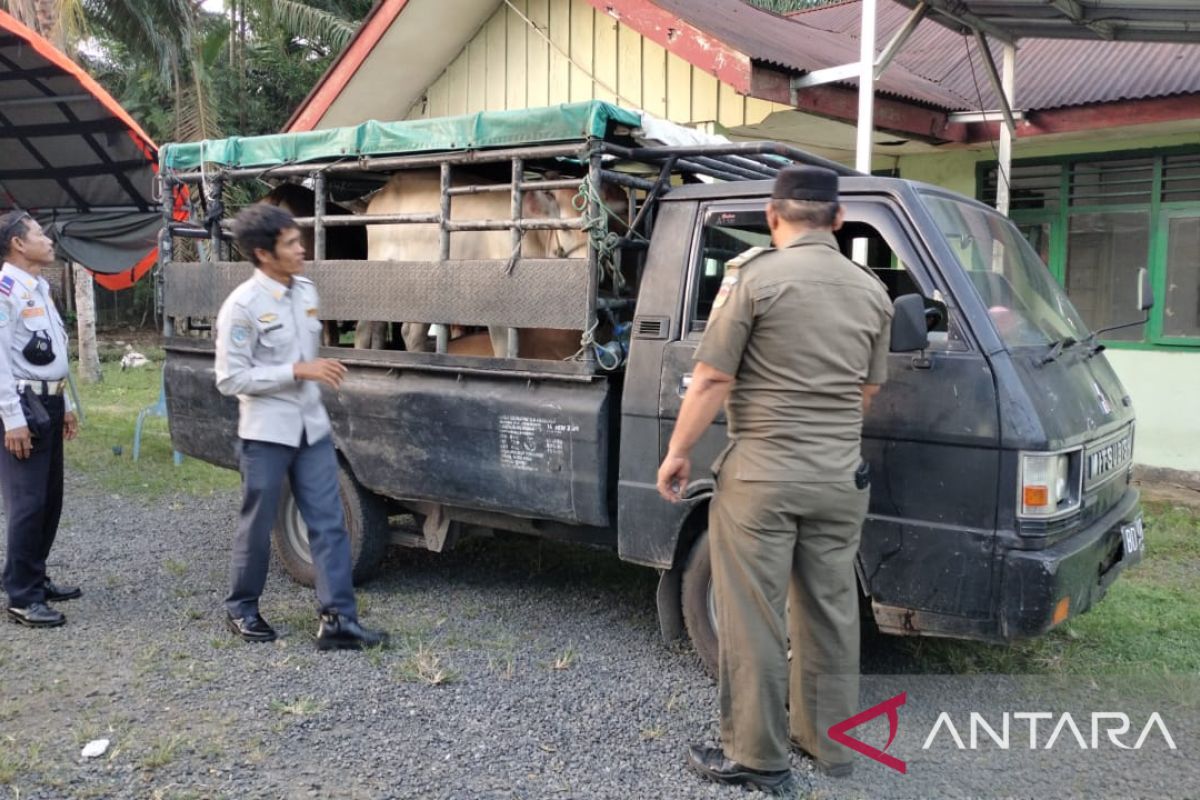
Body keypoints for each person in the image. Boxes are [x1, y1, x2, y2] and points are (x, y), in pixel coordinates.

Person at [657, 166, 892, 791]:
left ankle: (757, 758)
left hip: (762, 476)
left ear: (772, 216)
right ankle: (829, 744)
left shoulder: (755, 279)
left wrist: (678, 451)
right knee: (830, 609)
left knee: (753, 614)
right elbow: (867, 389)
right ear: (838, 220)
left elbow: (711, 378)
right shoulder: (870, 290)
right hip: (840, 477)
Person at [215, 203, 387, 651]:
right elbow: (230, 378)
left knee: (330, 524)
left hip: (311, 430)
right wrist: (297, 371)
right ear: (262, 253)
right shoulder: (242, 307)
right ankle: (243, 609)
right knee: (257, 524)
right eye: (290, 243)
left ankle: (338, 620)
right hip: (266, 434)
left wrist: (307, 373)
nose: (301, 248)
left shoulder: (306, 292)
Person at [0, 210, 81, 628]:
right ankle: (21, 596)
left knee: (49, 500)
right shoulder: (5, 289)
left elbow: (50, 353)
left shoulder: (40, 287)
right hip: (21, 405)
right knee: (28, 504)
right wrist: (11, 419)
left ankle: (34, 575)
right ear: (17, 243)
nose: (48, 239)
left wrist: (64, 405)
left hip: (47, 401)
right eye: (38, 234)